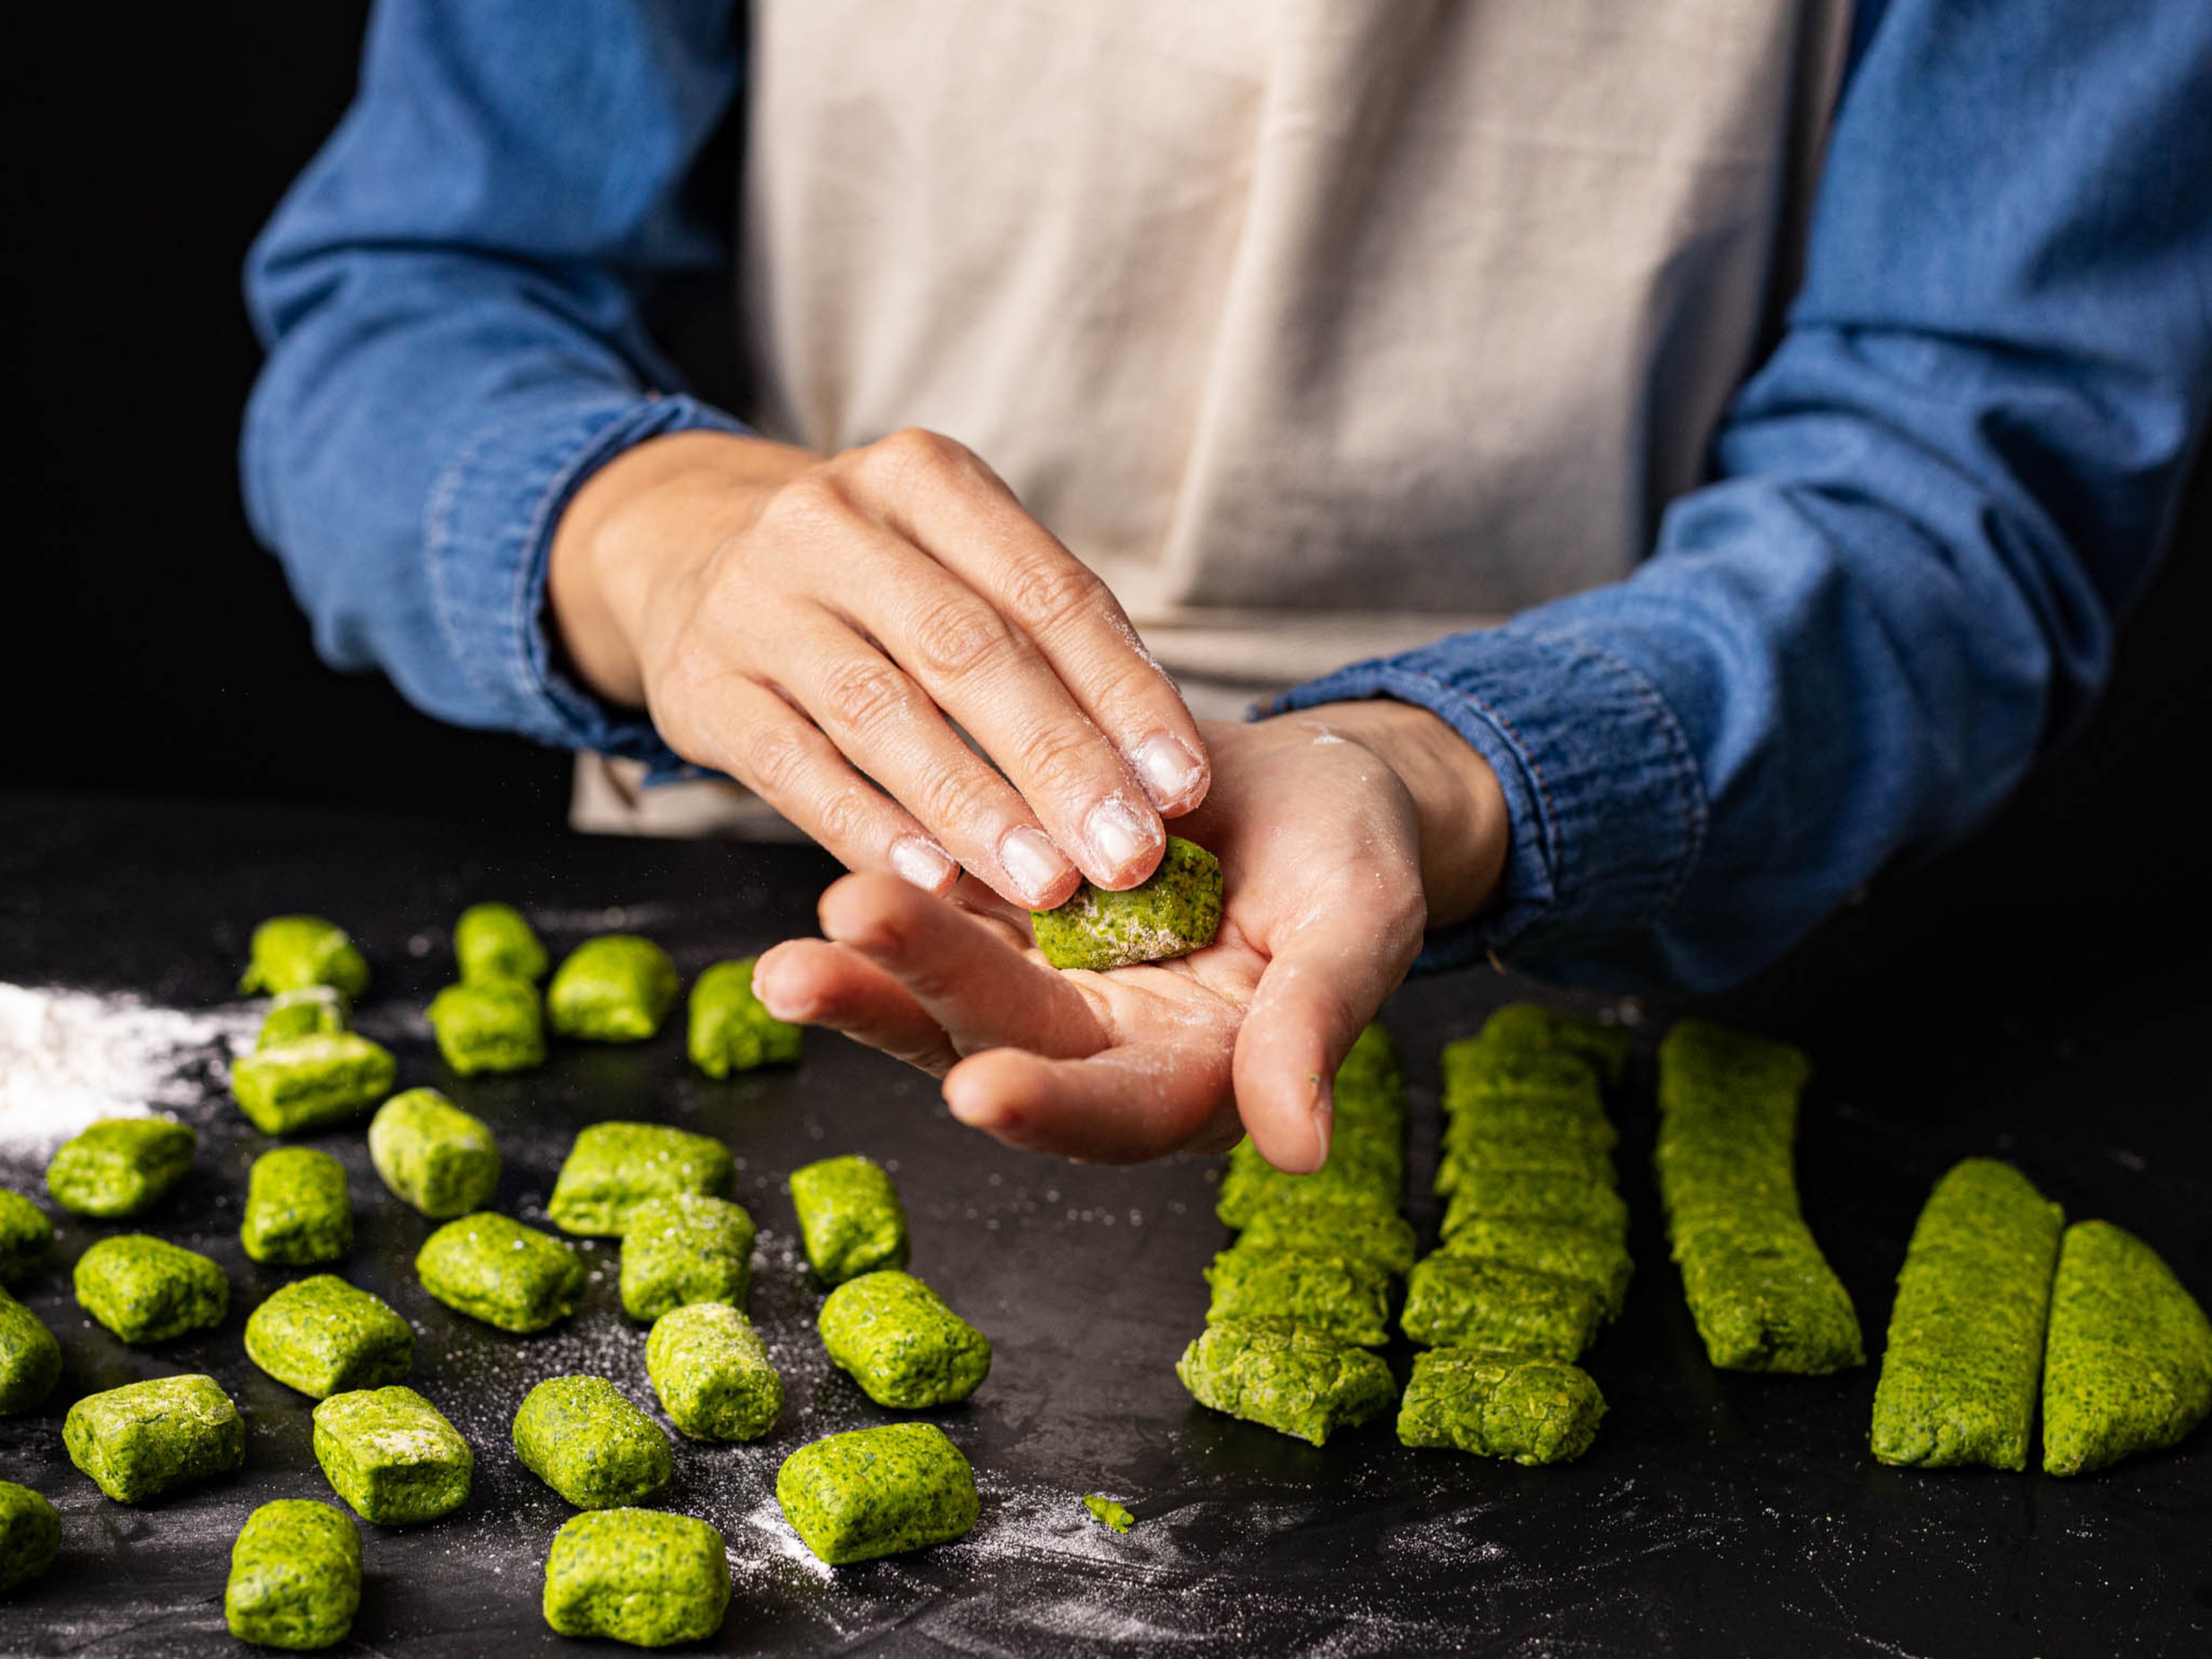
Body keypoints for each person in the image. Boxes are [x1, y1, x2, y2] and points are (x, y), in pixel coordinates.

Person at [244, 3, 2211, 1174]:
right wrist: (658, 536)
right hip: (793, 914)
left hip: (1646, 920)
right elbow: (402, 308)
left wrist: (1444, 773)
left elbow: (1970, 467)